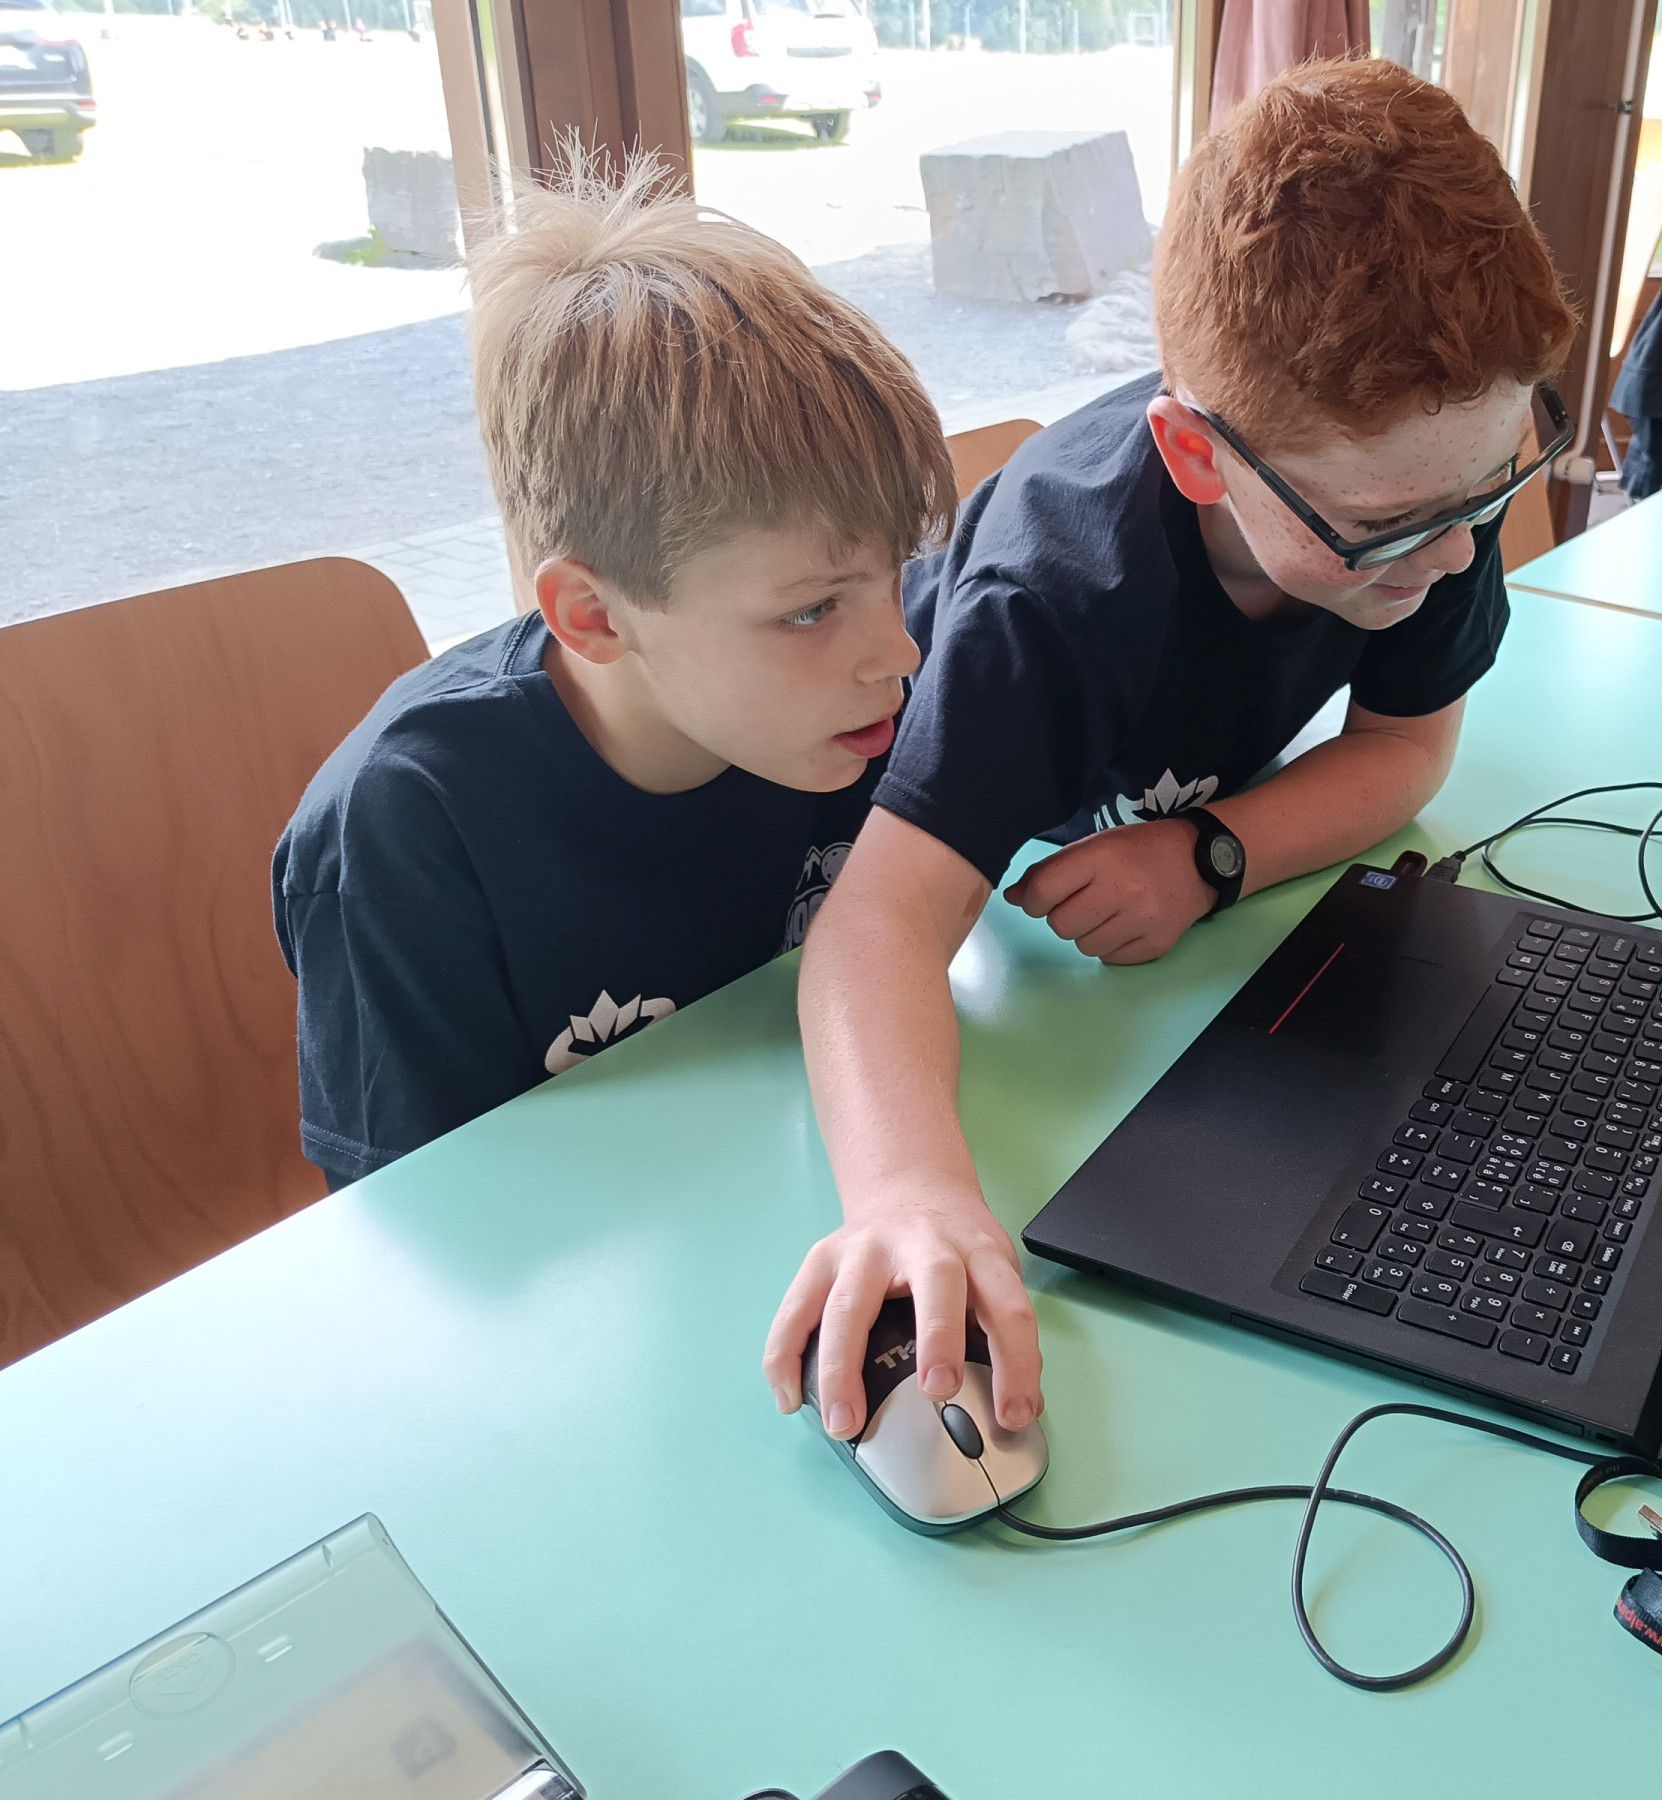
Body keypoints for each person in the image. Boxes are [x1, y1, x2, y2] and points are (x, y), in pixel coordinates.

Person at [761, 58, 1578, 1442]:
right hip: (905, 813)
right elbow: (878, 925)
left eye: (1497, 485)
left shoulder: (1429, 496)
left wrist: (1212, 855)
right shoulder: (1052, 597)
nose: (1451, 561)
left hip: (1158, 904)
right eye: (1383, 528)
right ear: (1200, 460)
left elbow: (1407, 749)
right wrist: (909, 1193)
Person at [274, 152, 950, 1189]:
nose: (899, 653)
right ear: (593, 616)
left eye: (894, 576)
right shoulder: (407, 826)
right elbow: (423, 1221)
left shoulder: (845, 703)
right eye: (810, 610)